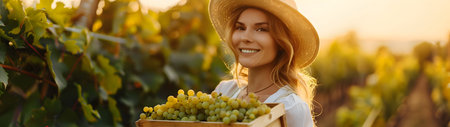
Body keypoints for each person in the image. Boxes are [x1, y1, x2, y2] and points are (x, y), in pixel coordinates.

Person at [209, 0, 320, 127]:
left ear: (281, 42)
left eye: (261, 29)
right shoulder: (225, 91)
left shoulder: (291, 107)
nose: (246, 37)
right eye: (240, 27)